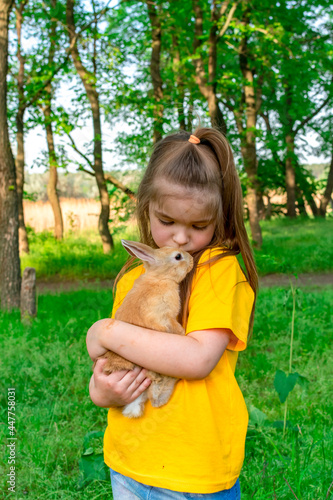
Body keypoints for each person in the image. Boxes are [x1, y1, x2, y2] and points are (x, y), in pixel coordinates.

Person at [86, 127, 258, 499]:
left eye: (198, 226)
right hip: (129, 461)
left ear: (218, 216)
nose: (181, 238)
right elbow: (118, 359)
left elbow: (197, 358)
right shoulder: (135, 277)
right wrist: (101, 391)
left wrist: (105, 331)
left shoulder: (220, 273)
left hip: (193, 470)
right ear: (146, 207)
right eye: (167, 222)